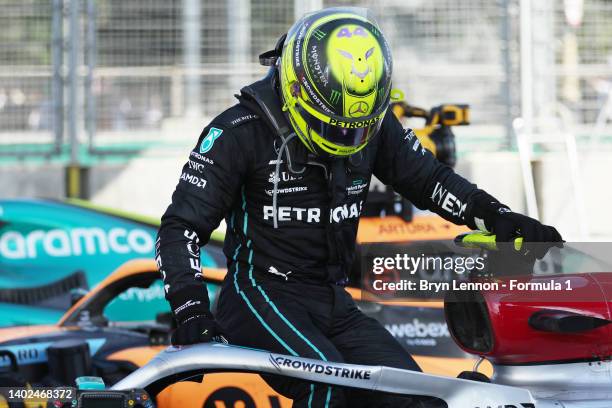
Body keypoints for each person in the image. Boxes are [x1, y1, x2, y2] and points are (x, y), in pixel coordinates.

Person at [156, 7, 562, 407]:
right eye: (336, 123)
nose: (350, 135)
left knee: (418, 398)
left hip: (332, 298)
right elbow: (181, 228)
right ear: (298, 90)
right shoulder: (237, 132)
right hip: (260, 294)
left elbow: (429, 179)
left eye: (360, 124)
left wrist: (497, 215)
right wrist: (191, 311)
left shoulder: (374, 120)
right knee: (326, 384)